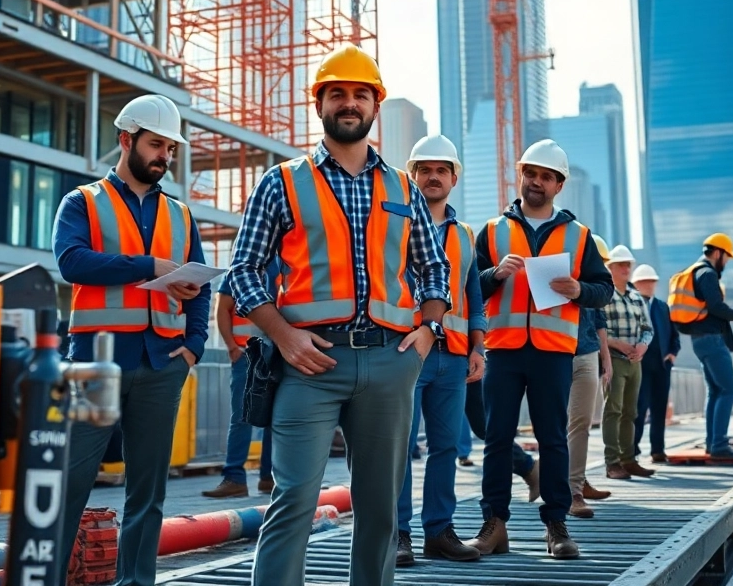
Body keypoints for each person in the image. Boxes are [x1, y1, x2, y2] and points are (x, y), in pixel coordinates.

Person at [229, 44, 451, 586]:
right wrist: (284, 337)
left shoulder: (402, 186)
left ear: (375, 105)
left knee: (379, 507)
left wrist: (428, 330)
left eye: (359, 94)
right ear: (320, 104)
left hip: (390, 360)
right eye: (337, 94)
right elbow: (243, 271)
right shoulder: (281, 181)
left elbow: (434, 267)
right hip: (309, 363)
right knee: (293, 500)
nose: (349, 103)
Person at [52, 93, 209, 586]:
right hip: (95, 363)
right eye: (156, 144)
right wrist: (149, 266)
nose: (164, 155)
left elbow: (200, 286)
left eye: (170, 148)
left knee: (148, 491)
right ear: (126, 139)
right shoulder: (82, 202)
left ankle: (135, 581)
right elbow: (72, 262)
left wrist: (193, 346)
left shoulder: (181, 215)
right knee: (71, 483)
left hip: (162, 363)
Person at [467, 139, 614, 560]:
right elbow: (469, 289)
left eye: (546, 177)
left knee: (553, 439)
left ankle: (556, 524)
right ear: (521, 175)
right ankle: (494, 524)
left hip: (553, 352)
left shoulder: (579, 236)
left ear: (558, 185)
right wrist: (494, 275)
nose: (536, 181)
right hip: (503, 350)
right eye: (530, 173)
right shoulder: (493, 231)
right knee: (497, 439)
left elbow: (604, 290)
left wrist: (578, 289)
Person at [396, 135, 487, 566]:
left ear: (454, 179)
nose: (433, 177)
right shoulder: (394, 226)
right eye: (425, 170)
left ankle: (438, 532)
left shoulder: (465, 235)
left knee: (446, 447)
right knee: (398, 448)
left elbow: (473, 295)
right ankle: (398, 534)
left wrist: (479, 347)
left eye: (441, 170)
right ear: (412, 176)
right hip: (404, 351)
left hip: (452, 357)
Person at [668, 233, 733, 460]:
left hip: (699, 340)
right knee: (728, 390)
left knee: (715, 391)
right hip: (712, 340)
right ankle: (719, 444)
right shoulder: (707, 274)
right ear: (717, 253)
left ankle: (712, 443)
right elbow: (716, 306)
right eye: (726, 257)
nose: (726, 262)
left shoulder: (694, 272)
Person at [201, 260, 282, 499]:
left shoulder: (285, 266)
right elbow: (222, 308)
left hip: (279, 354)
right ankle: (234, 478)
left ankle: (269, 478)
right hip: (247, 354)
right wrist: (232, 347)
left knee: (276, 418)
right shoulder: (240, 269)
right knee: (242, 417)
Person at [567, 236, 614, 519]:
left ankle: (576, 487)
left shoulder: (594, 287)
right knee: (556, 425)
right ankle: (562, 486)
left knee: (581, 423)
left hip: (586, 354)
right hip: (555, 353)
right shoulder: (559, 274)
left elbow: (599, 321)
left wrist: (605, 358)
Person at [600, 244, 654, 480]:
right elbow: (599, 329)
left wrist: (643, 345)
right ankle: (612, 463)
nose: (625, 268)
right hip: (614, 359)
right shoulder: (605, 295)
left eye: (628, 265)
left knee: (631, 411)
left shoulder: (635, 297)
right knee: (613, 410)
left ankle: (628, 460)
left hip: (634, 362)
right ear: (610, 268)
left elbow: (647, 328)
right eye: (620, 265)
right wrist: (617, 344)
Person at [632, 264, 679, 463]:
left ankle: (658, 450)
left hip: (661, 365)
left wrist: (672, 354)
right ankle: (632, 450)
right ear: (636, 284)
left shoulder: (662, 307)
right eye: (644, 282)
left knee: (660, 408)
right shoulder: (631, 305)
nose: (649, 285)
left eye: (651, 281)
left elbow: (674, 335)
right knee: (639, 407)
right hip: (640, 365)